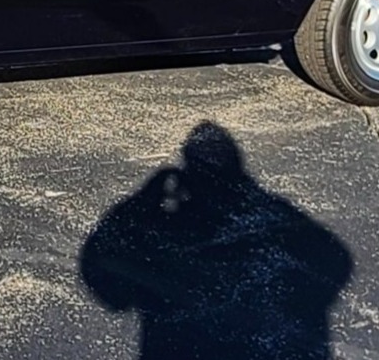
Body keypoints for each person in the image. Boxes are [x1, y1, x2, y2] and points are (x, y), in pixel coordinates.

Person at [80, 122, 354, 359]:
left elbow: (103, 272)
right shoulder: (265, 213)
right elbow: (335, 257)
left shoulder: (170, 226)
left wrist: (146, 196)